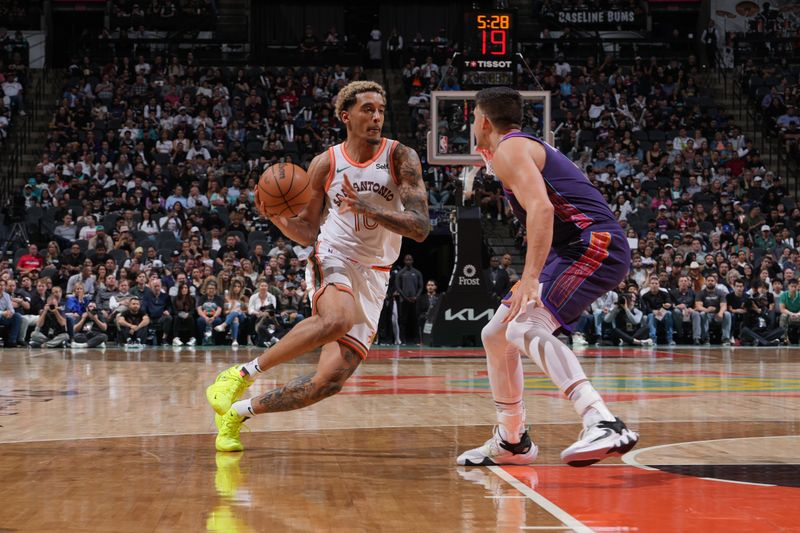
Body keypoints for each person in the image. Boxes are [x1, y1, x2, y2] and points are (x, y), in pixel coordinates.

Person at [206, 80, 430, 452]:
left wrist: (368, 207)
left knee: (327, 383)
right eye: (367, 110)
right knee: (337, 319)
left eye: (380, 111)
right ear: (346, 116)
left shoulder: (400, 158)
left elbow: (421, 228)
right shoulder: (326, 163)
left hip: (376, 275)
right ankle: (240, 374)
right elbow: (309, 231)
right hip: (334, 256)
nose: (376, 117)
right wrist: (277, 218)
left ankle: (238, 413)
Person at [456, 87, 638, 467]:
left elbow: (541, 210)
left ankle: (601, 420)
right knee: (495, 335)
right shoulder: (514, 149)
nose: (471, 123)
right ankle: (512, 440)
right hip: (573, 247)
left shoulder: (511, 149)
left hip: (594, 243)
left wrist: (529, 277)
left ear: (484, 121)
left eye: (473, 117)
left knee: (523, 328)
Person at [692, 273, 732, 345]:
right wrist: (707, 310)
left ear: (715, 282)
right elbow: (698, 306)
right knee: (702, 313)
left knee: (727, 314)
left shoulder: (720, 292)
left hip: (717, 315)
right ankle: (706, 339)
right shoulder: (701, 293)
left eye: (712, 281)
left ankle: (725, 339)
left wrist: (720, 313)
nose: (710, 282)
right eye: (708, 280)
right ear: (705, 282)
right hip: (707, 315)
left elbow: (724, 305)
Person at [396, 253, 424, 344]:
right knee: (403, 321)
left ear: (412, 261)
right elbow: (398, 287)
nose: (408, 261)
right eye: (407, 259)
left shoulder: (417, 272)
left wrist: (416, 296)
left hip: (415, 301)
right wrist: (405, 297)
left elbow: (421, 286)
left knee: (415, 321)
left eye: (410, 259)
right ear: (404, 261)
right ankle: (403, 340)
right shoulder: (401, 273)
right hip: (404, 301)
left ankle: (416, 340)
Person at [641, 275, 674, 346]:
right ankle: (653, 339)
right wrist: (653, 311)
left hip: (663, 313)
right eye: (652, 283)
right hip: (652, 313)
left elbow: (669, 304)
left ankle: (670, 338)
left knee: (668, 313)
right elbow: (645, 309)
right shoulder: (645, 296)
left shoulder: (665, 294)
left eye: (656, 283)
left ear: (659, 285)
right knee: (651, 316)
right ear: (649, 285)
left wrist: (667, 305)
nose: (654, 285)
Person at [215, 277, 246, 347]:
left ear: (241, 288)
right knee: (235, 318)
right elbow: (225, 312)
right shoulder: (227, 298)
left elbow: (247, 310)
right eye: (235, 286)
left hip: (242, 316)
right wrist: (231, 310)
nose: (236, 288)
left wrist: (239, 310)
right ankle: (234, 340)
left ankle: (223, 325)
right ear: (232, 287)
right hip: (231, 316)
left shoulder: (243, 297)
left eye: (238, 286)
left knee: (236, 312)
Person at [143, 277, 173, 345]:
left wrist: (168, 311)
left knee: (169, 318)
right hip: (150, 318)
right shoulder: (147, 296)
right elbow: (143, 307)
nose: (156, 288)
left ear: (161, 286)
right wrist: (145, 314)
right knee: (144, 318)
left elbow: (169, 306)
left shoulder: (166, 296)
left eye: (158, 286)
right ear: (151, 287)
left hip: (161, 317)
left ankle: (164, 339)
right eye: (155, 286)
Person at [0, 280, 23, 347]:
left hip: (4, 317)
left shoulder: (6, 296)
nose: (1, 287)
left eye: (3, 285)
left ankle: (12, 341)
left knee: (17, 316)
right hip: (1, 315)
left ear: (5, 287)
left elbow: (11, 309)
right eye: (0, 285)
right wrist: (3, 313)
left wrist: (9, 313)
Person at [779, 278, 800, 344]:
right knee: (783, 316)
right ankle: (784, 338)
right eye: (792, 286)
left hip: (798, 315)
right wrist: (791, 314)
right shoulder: (783, 295)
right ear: (788, 286)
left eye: (795, 287)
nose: (793, 288)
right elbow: (782, 309)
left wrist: (798, 314)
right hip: (789, 315)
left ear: (798, 286)